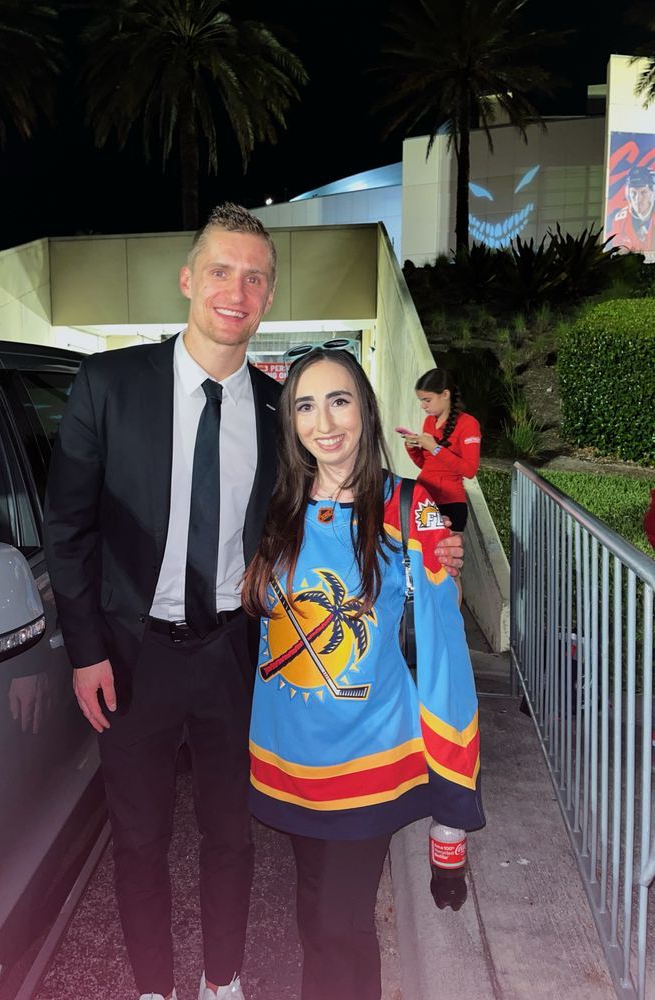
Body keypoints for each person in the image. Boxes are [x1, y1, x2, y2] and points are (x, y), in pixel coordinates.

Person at [43, 204, 467, 1000]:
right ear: (187, 280)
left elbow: (339, 497)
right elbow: (67, 527)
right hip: (131, 655)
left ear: (269, 296)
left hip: (235, 657)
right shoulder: (109, 385)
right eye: (220, 272)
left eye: (255, 278)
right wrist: (86, 649)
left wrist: (429, 538)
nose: (235, 292)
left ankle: (224, 979)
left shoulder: (282, 411)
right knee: (138, 838)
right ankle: (153, 986)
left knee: (231, 834)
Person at [242, 348, 484, 1000]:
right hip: (292, 759)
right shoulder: (273, 506)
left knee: (337, 925)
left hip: (370, 760)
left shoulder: (411, 508)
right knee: (315, 919)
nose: (324, 423)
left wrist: (452, 809)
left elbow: (444, 658)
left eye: (339, 400)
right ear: (290, 422)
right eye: (306, 405)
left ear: (366, 410)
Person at [400, 367, 481, 532]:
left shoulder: (468, 424)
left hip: (450, 503)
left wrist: (435, 448)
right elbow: (427, 465)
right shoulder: (429, 422)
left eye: (427, 400)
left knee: (445, 548)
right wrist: (412, 448)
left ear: (445, 394)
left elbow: (469, 470)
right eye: (421, 400)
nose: (423, 406)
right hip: (423, 498)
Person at [610, 164, 655, 255]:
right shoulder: (620, 220)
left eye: (643, 192)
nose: (638, 199)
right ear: (628, 194)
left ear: (652, 193)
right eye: (633, 193)